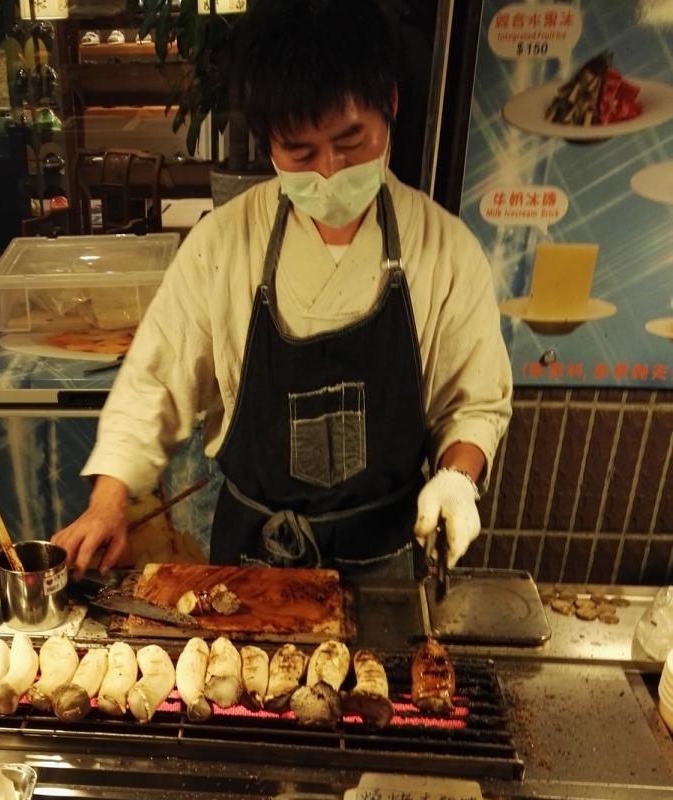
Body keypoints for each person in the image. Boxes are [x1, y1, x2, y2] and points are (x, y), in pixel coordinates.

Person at [53, 0, 511, 578]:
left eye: (350, 141)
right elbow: (154, 385)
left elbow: (473, 403)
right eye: (301, 152)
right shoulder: (223, 244)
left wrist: (457, 478)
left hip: (386, 558)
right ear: (269, 140)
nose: (329, 171)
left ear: (390, 104)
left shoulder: (445, 250)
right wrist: (107, 503)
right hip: (253, 563)